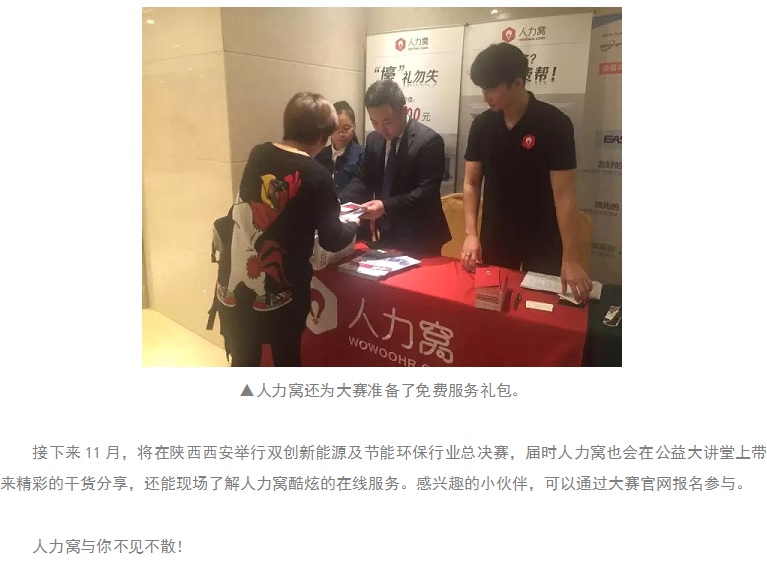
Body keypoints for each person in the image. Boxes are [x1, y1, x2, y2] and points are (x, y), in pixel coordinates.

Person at [216, 92, 359, 367]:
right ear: (321, 137)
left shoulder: (260, 153)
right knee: (286, 358)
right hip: (283, 291)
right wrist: (354, 225)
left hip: (235, 282)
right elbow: (332, 239)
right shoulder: (317, 175)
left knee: (243, 359)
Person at [461, 42, 592, 301]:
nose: (486, 97)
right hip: (496, 234)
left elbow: (564, 194)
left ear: (518, 83)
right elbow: (471, 182)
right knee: (490, 304)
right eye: (482, 89)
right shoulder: (482, 124)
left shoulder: (554, 123)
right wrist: (471, 234)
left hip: (543, 237)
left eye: (492, 89)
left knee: (540, 308)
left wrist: (571, 259)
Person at [340, 80, 451, 258]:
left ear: (404, 111)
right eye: (374, 122)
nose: (381, 129)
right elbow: (363, 178)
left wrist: (385, 206)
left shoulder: (429, 141)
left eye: (387, 122)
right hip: (387, 231)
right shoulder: (374, 140)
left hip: (421, 234)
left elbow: (426, 193)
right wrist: (339, 201)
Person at [314, 101, 365, 195]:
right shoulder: (319, 154)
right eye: (336, 128)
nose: (341, 134)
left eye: (346, 128)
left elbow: (361, 187)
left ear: (354, 126)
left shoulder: (363, 154)